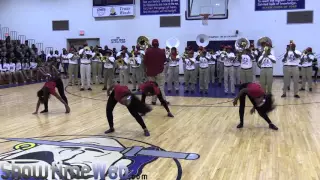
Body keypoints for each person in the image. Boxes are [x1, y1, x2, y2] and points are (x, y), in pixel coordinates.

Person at [144, 39, 168, 105]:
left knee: (153, 87)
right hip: (160, 71)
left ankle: (153, 101)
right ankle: (163, 101)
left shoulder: (148, 51)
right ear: (158, 44)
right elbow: (164, 61)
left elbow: (145, 62)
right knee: (160, 86)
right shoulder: (161, 51)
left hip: (150, 72)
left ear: (152, 44)